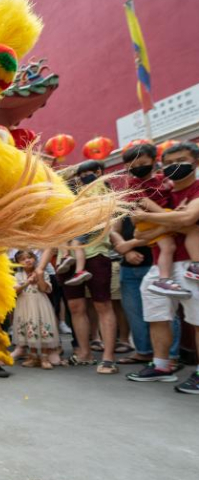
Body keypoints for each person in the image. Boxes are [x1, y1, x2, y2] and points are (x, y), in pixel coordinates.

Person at [128, 142, 199, 393]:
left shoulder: (197, 188)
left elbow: (189, 218)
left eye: (181, 160)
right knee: (156, 314)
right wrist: (171, 221)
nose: (174, 167)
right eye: (168, 163)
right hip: (161, 264)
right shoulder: (162, 191)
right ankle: (161, 366)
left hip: (193, 263)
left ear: (196, 162)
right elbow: (139, 232)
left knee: (197, 318)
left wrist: (150, 217)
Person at [42, 161, 120, 374]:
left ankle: (108, 357)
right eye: (78, 174)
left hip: (96, 252)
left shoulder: (101, 190)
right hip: (65, 257)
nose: (79, 177)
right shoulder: (62, 195)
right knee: (75, 307)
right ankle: (84, 353)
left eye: (85, 173)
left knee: (102, 305)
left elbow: (109, 220)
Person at [112, 143, 183, 368]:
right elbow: (114, 229)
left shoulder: (166, 187)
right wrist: (124, 247)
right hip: (128, 263)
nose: (138, 168)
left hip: (156, 257)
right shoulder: (126, 193)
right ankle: (143, 352)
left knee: (165, 311)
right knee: (136, 311)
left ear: (154, 161)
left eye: (143, 163)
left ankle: (170, 356)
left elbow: (175, 222)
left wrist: (133, 243)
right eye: (133, 165)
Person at [12, 251, 61, 369]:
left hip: (41, 304)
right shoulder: (17, 276)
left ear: (35, 259)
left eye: (29, 257)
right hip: (25, 306)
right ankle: (33, 356)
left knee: (42, 327)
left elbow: (44, 289)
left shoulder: (42, 273)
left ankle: (44, 357)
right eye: (23, 259)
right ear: (18, 263)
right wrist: (27, 282)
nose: (27, 260)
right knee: (30, 328)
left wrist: (39, 278)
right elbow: (15, 291)